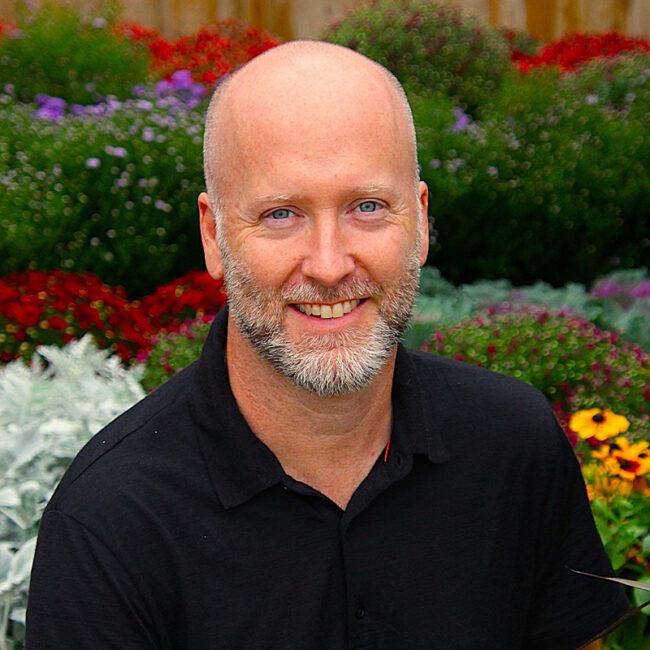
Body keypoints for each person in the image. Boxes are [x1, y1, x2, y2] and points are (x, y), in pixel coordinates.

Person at [26, 41, 627, 649]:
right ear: (213, 235)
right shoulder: (111, 521)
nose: (330, 265)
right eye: (282, 213)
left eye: (367, 206)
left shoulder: (515, 447)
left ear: (419, 222)